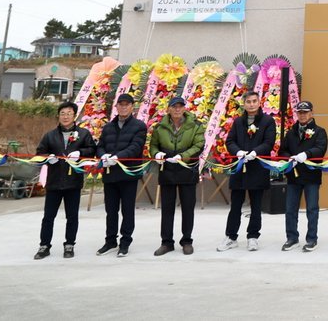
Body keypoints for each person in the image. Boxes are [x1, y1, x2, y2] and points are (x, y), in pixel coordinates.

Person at [34, 101, 95, 259]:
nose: (65, 116)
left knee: (72, 216)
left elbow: (92, 150)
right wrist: (48, 158)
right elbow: (39, 153)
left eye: (69, 113)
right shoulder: (50, 135)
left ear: (74, 116)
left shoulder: (83, 134)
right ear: (58, 116)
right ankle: (44, 246)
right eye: (62, 113)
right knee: (48, 217)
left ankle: (69, 245)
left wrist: (80, 153)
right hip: (54, 182)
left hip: (73, 182)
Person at [217, 90, 276, 252]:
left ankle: (253, 237)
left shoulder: (268, 121)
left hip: (258, 168)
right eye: (248, 102)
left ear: (259, 102)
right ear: (244, 104)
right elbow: (230, 141)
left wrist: (255, 152)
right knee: (235, 205)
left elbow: (269, 142)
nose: (251, 104)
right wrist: (238, 152)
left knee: (256, 205)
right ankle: (231, 237)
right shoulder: (238, 122)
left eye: (254, 101)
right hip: (240, 168)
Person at [148, 95, 205, 256]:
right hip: (167, 170)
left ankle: (187, 241)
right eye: (174, 106)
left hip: (187, 169)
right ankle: (166, 242)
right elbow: (153, 145)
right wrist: (156, 154)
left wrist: (183, 156)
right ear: (168, 109)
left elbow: (199, 145)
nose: (177, 109)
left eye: (180, 106)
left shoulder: (195, 125)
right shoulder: (160, 127)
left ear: (184, 108)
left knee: (188, 208)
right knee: (167, 209)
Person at [95, 93, 147, 257]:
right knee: (110, 210)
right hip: (110, 174)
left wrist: (117, 157)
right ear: (116, 106)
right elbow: (100, 146)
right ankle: (110, 241)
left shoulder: (139, 126)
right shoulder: (108, 127)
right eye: (121, 104)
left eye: (127, 104)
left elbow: (135, 147)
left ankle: (125, 242)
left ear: (132, 107)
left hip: (128, 175)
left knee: (127, 210)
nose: (123, 107)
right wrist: (103, 156)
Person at [281, 100, 327, 252]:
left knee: (312, 209)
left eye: (305, 112)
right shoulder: (291, 132)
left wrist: (306, 154)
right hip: (293, 176)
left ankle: (312, 239)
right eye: (300, 112)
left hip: (311, 176)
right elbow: (283, 150)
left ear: (312, 113)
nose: (302, 115)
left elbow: (320, 149)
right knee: (290, 209)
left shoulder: (319, 131)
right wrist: (289, 158)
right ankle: (292, 238)